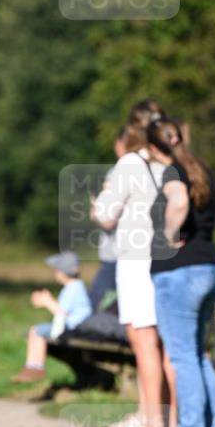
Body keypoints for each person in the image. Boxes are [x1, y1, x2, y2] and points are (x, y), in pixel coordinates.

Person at [147, 118, 215, 427]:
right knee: (198, 355)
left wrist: (169, 238)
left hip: (178, 273)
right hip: (208, 266)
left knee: (183, 356)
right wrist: (205, 232)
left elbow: (179, 203)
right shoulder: (203, 169)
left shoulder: (172, 173)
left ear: (155, 148)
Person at [92, 114, 174, 427]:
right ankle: (169, 420)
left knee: (143, 341)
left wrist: (98, 203)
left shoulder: (129, 164)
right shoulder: (168, 163)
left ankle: (151, 421)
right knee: (164, 342)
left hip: (136, 260)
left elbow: (106, 215)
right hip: (166, 258)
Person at [11, 251, 92, 382]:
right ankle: (31, 366)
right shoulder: (76, 287)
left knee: (37, 331)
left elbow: (61, 312)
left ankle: (36, 366)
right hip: (72, 325)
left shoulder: (72, 289)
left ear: (61, 273)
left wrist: (47, 301)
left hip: (72, 327)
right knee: (35, 331)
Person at [88, 128, 126, 313]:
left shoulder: (117, 171)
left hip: (115, 254)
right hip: (134, 254)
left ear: (120, 145)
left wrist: (95, 212)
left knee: (93, 308)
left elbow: (109, 219)